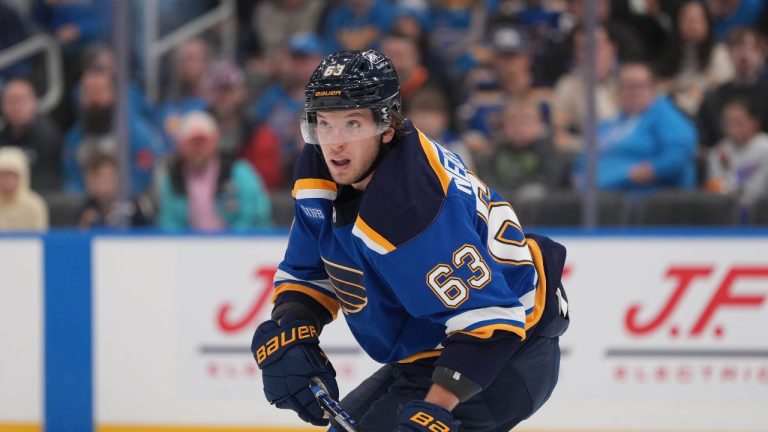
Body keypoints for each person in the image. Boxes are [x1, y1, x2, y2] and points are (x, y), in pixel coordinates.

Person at [250, 49, 569, 432]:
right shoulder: (321, 165)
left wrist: (435, 410)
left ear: (387, 127)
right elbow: (309, 269)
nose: (334, 143)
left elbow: (490, 324)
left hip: (509, 355)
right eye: (324, 123)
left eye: (352, 124)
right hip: (431, 351)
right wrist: (293, 326)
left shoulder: (413, 207)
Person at [572, 62, 698, 194]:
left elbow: (679, 154)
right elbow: (583, 161)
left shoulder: (664, 115)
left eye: (639, 86)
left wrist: (641, 172)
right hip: (591, 198)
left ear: (652, 88)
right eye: (627, 86)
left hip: (639, 201)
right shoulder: (607, 125)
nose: (633, 92)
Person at [156, 111, 271, 231]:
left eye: (203, 142)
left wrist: (232, 243)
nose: (198, 149)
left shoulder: (238, 172)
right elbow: (169, 222)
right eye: (192, 143)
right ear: (181, 145)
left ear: (214, 142)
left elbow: (255, 215)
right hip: (190, 246)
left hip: (237, 244)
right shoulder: (174, 179)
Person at [0, 78, 63, 192]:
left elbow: (48, 178)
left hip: (42, 195)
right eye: (11, 101)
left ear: (34, 102)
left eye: (21, 100)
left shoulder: (47, 135)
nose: (16, 107)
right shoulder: (3, 136)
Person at [706, 99, 768, 214]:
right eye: (727, 123)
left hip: (762, 213)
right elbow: (716, 191)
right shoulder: (720, 151)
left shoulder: (765, 148)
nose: (732, 128)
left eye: (738, 122)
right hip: (727, 213)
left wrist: (730, 173)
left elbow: (757, 192)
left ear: (754, 122)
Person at [77, 154, 154, 228]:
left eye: (109, 178)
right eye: (98, 179)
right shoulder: (85, 210)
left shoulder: (135, 209)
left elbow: (148, 236)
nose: (104, 185)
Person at [0, 146, 48, 231]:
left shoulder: (34, 205)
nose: (6, 180)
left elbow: (40, 238)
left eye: (11, 175)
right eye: (2, 175)